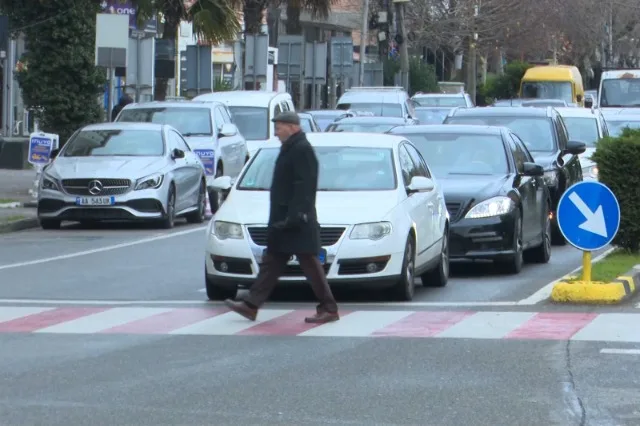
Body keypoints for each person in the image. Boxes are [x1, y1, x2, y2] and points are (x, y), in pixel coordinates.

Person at [224, 111, 340, 324]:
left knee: (310, 265)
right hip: (285, 219)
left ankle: (329, 308)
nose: (276, 132)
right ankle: (251, 305)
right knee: (272, 263)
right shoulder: (291, 148)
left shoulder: (302, 150)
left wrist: (296, 216)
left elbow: (305, 186)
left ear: (292, 127)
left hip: (296, 221)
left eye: (279, 127)